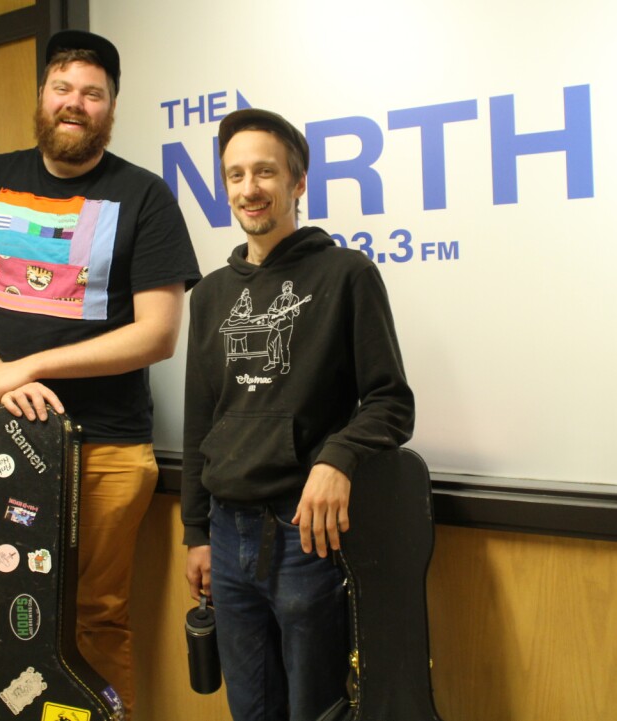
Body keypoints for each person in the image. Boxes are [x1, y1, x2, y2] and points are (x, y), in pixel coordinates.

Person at [0, 29, 201, 719]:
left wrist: (30, 365)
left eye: (92, 93)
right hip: (11, 442)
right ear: (41, 97)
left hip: (106, 443)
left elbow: (158, 334)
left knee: (96, 618)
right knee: (17, 611)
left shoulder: (143, 196)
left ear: (110, 107)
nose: (74, 103)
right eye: (62, 88)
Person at [182, 109, 414, 721]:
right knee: (250, 710)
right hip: (227, 539)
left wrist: (338, 457)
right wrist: (195, 532)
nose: (249, 188)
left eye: (264, 171)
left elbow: (391, 402)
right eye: (235, 175)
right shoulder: (208, 295)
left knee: (319, 709)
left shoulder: (347, 275)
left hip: (306, 538)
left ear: (297, 182)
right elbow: (200, 424)